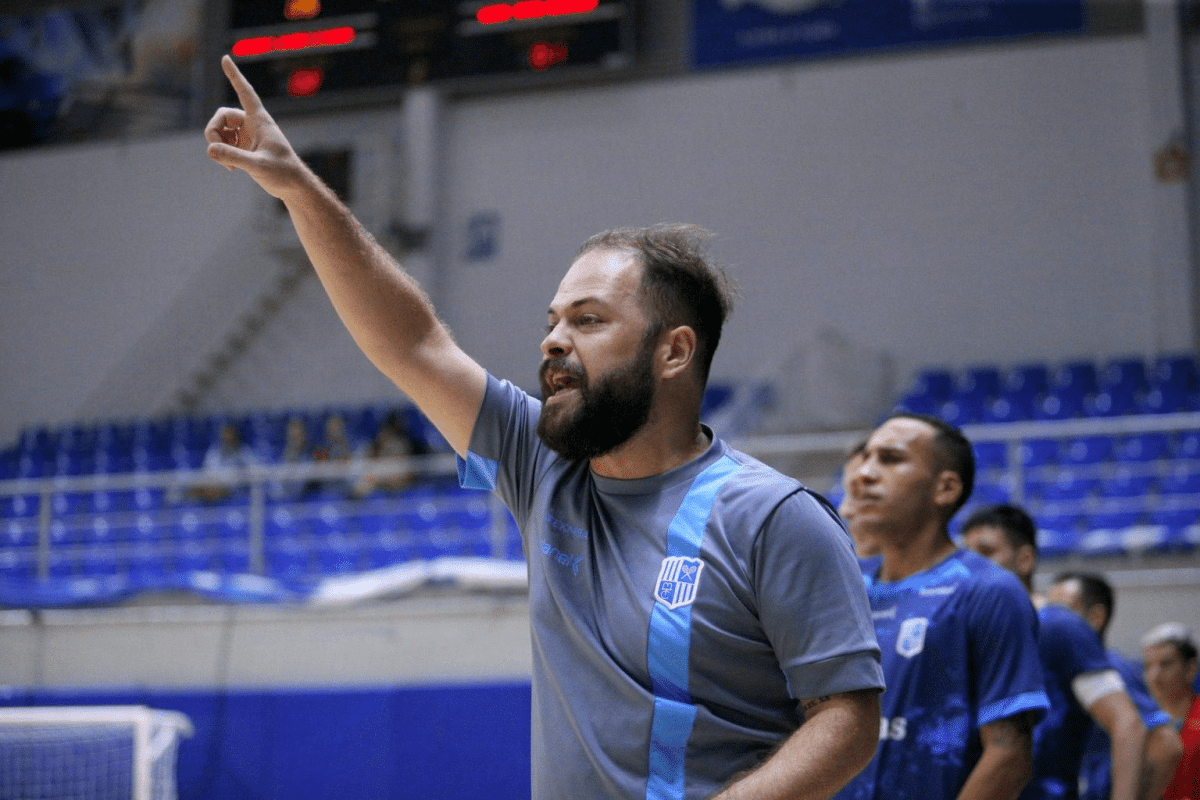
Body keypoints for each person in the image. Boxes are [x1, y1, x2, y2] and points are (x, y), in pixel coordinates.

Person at [204, 54, 885, 800]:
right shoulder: (545, 469)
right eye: (552, 321)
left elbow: (847, 720)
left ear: (673, 351)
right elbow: (412, 344)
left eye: (588, 321)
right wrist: (298, 188)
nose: (553, 340)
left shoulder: (774, 519)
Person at [834, 413, 1049, 800]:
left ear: (945, 488)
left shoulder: (988, 590)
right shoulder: (847, 589)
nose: (863, 474)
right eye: (865, 458)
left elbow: (1009, 756)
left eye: (890, 459)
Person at [960, 505, 1147, 800]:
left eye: (986, 552)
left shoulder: (1059, 626)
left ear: (1025, 559)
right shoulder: (966, 631)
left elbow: (1128, 724)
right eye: (966, 555)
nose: (972, 566)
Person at [1044, 572, 1181, 800]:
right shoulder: (1065, 672)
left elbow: (1166, 745)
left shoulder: (1113, 669)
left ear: (1096, 617)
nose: (1053, 619)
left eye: (1064, 610)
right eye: (1050, 610)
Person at [1141, 622, 1200, 799]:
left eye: (1165, 664)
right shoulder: (1139, 721)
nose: (1154, 676)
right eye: (1148, 666)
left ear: (1190, 668)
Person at [353, 409, 420, 496]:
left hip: (397, 476)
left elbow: (399, 462)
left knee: (376, 472)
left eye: (386, 433)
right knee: (368, 475)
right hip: (383, 477)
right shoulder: (376, 444)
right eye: (382, 433)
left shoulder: (399, 443)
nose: (383, 435)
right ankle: (354, 499)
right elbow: (368, 459)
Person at [187, 421, 257, 502]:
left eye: (230, 437)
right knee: (194, 490)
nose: (227, 439)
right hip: (213, 485)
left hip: (234, 490)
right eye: (225, 437)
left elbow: (254, 473)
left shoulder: (245, 453)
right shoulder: (214, 452)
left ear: (236, 437)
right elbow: (207, 472)